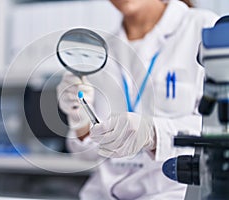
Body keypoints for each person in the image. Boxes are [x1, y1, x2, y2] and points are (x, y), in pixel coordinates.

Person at [57, 0, 218, 199]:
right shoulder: (103, 50)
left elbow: (220, 129)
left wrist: (154, 133)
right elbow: (89, 155)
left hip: (173, 192)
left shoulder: (205, 27)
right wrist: (79, 119)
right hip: (101, 193)